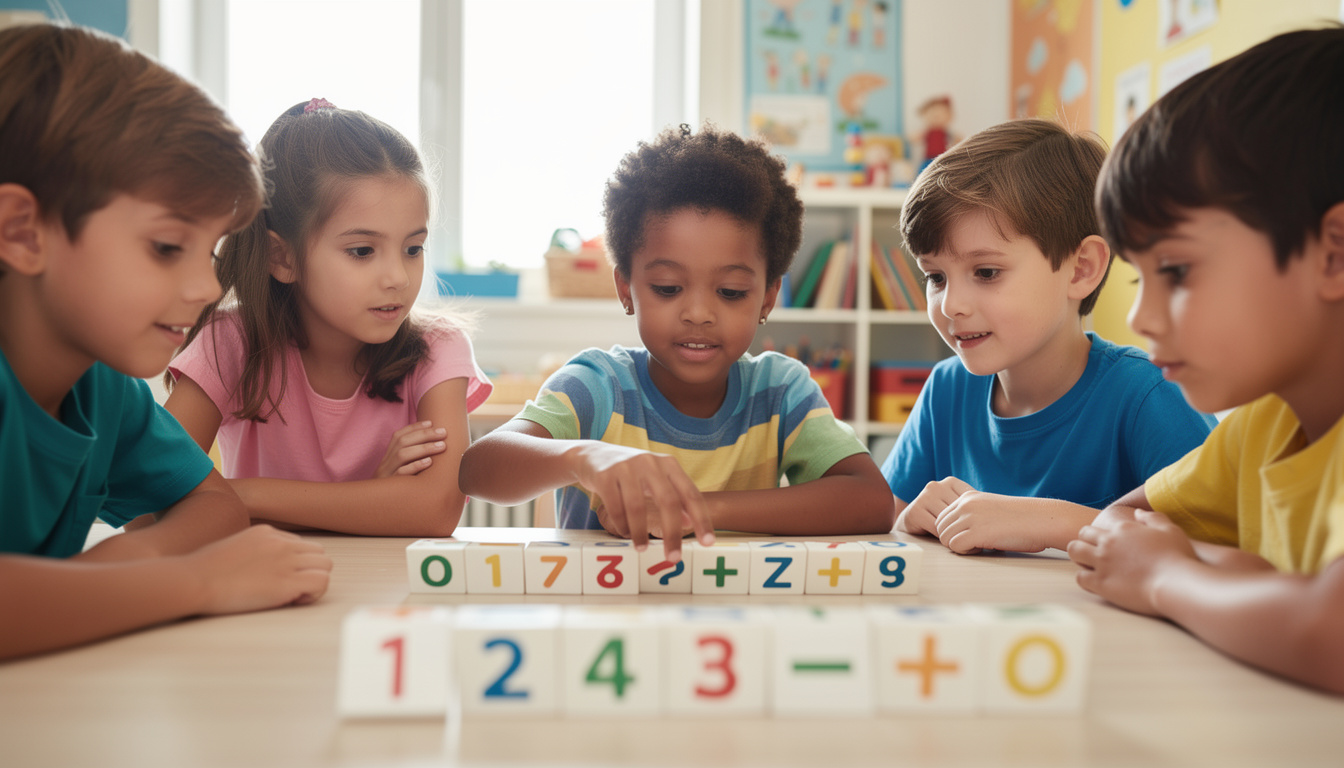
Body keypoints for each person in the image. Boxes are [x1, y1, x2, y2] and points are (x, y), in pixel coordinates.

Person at [0, 23, 331, 660]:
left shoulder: (100, 388)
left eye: (208, 251)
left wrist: (111, 576)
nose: (206, 286)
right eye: (166, 247)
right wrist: (190, 582)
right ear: (23, 230)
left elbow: (215, 505)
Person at [459, 124, 894, 562]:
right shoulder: (597, 386)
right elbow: (478, 469)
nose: (699, 313)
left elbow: (871, 502)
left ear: (768, 297)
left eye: (730, 292)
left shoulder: (780, 392)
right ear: (627, 289)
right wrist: (582, 457)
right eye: (668, 288)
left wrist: (696, 509)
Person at [1068, 26, 1344, 693]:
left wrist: (1170, 577)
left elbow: (1332, 636)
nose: (1139, 318)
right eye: (1140, 278)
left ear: (1334, 254)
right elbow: (1117, 525)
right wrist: (1252, 582)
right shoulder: (1263, 425)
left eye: (1179, 271)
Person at [882, 118, 1216, 555]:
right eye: (936, 277)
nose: (951, 305)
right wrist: (907, 520)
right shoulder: (946, 389)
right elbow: (887, 523)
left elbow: (1225, 549)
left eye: (986, 272)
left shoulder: (1147, 394)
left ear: (1081, 269)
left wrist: (1053, 522)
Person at [164, 100, 491, 537]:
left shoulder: (438, 348)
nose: (397, 277)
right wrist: (375, 498)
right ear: (282, 257)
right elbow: (149, 504)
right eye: (362, 252)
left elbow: (435, 509)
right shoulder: (230, 344)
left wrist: (234, 496)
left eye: (413, 248)